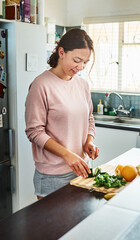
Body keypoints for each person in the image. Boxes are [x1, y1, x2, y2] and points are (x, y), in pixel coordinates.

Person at [25, 28, 99, 200]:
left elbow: (89, 118)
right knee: (52, 227)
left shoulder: (82, 85)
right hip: (52, 176)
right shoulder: (41, 85)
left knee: (77, 225)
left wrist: (90, 140)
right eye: (77, 60)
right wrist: (67, 155)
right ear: (61, 52)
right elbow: (34, 132)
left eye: (85, 63)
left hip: (81, 170)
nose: (80, 67)